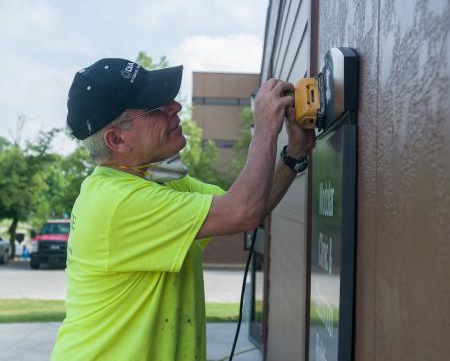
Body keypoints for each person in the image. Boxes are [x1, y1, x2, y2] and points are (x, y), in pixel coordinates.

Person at [51, 58, 315, 360]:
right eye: (157, 107)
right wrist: (264, 128)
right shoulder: (116, 202)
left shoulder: (157, 180)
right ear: (117, 139)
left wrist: (293, 155)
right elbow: (242, 210)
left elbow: (246, 204)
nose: (175, 107)